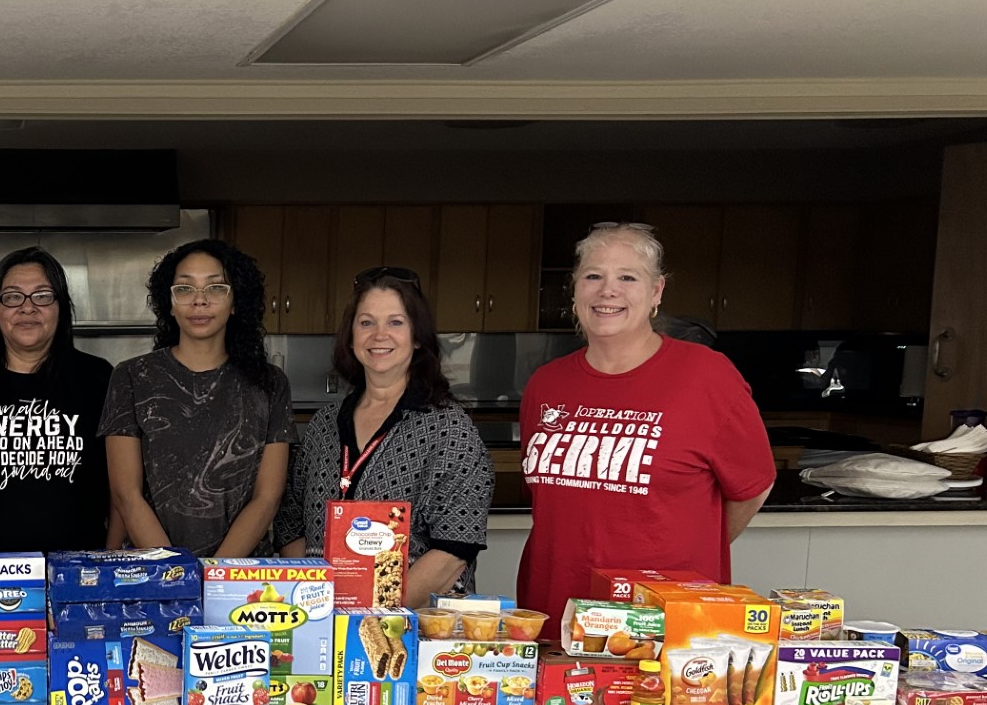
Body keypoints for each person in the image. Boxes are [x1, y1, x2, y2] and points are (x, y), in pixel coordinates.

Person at [517, 222, 775, 619]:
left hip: (663, 619)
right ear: (575, 289)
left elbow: (752, 486)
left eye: (627, 277)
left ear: (656, 291)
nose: (608, 290)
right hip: (555, 612)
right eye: (593, 276)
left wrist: (691, 552)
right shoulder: (546, 384)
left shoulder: (707, 376)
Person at [275, 267, 493, 602]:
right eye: (366, 322)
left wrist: (372, 616)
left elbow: (453, 547)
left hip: (412, 626)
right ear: (351, 336)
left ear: (417, 336)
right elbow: (290, 523)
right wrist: (317, 602)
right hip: (323, 618)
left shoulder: (449, 427)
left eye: (395, 322)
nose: (379, 335)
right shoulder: (324, 424)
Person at [0, 248, 117, 584]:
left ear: (61, 307)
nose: (28, 307)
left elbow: (122, 491)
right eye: (12, 297)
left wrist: (108, 566)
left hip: (78, 580)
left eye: (42, 296)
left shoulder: (98, 380)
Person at [101, 239, 292, 556]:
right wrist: (179, 574)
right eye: (185, 289)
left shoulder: (270, 383)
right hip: (153, 571)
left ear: (235, 303)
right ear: (170, 303)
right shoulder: (131, 377)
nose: (199, 301)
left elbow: (267, 497)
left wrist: (215, 573)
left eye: (216, 288)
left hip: (239, 578)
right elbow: (126, 494)